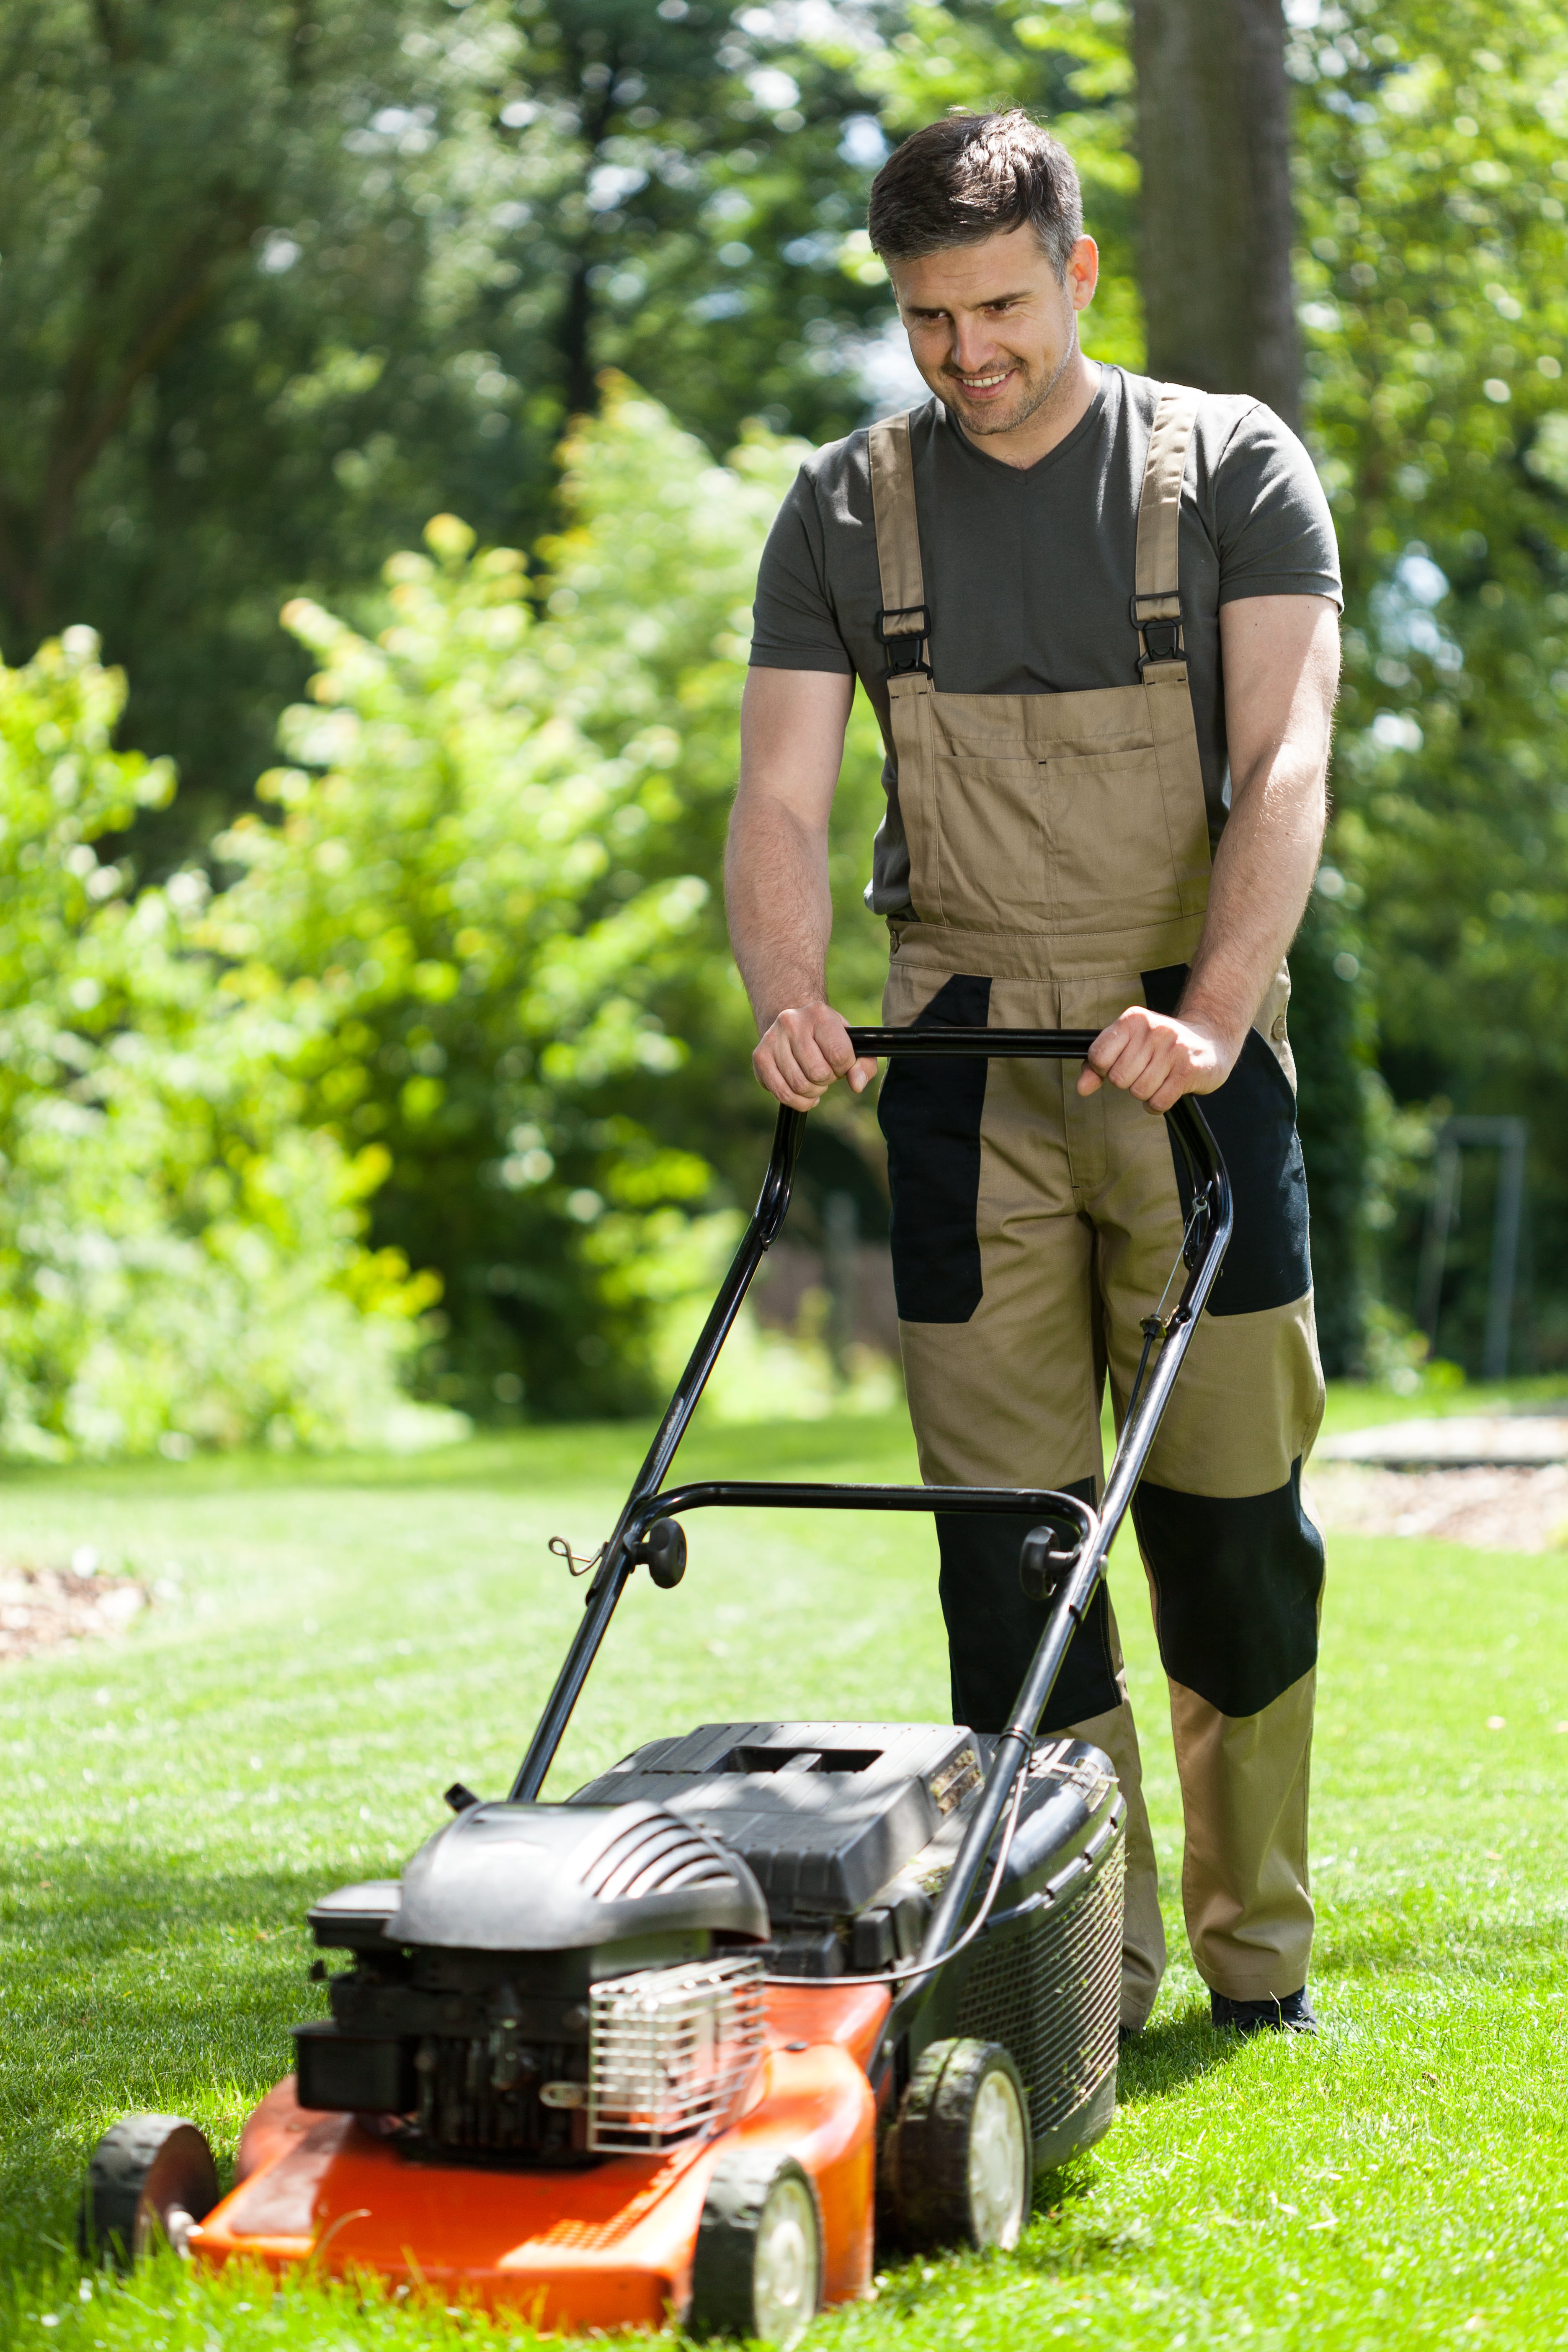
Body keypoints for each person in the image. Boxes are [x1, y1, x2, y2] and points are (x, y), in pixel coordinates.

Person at [725, 111, 1341, 2037]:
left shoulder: (1227, 467)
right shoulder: (848, 507)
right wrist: (790, 985)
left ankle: (1254, 1963)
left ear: (1076, 270)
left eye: (997, 306)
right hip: (957, 1065)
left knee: (1233, 1530)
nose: (965, 352)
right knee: (1010, 1554)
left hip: (1191, 1057)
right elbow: (777, 795)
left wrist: (1221, 1012)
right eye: (926, 317)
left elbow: (1288, 765)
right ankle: (1080, 1965)